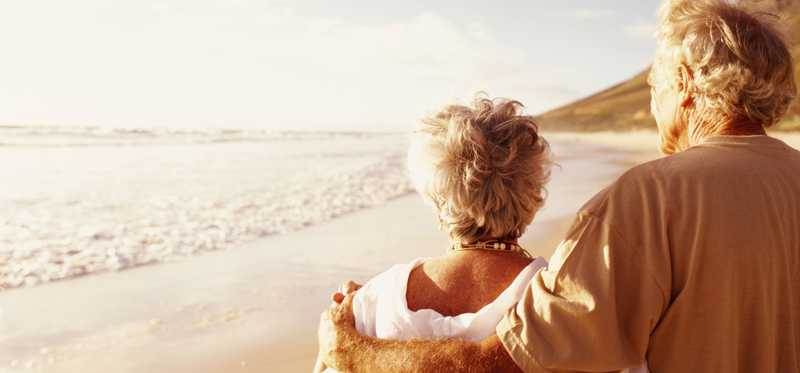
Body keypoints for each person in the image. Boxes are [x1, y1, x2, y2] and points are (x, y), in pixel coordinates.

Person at [317, 0, 800, 372]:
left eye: (654, 86)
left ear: (685, 81)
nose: (655, 104)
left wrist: (355, 351)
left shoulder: (649, 199)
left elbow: (505, 364)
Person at [314, 96, 551, 372]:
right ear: (532, 193)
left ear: (434, 197)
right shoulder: (555, 295)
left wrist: (362, 307)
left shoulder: (374, 298)